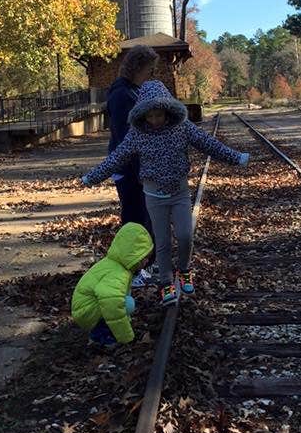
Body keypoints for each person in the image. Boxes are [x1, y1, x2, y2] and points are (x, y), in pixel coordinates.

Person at [82, 80, 249, 305]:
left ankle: (183, 270)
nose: (154, 120)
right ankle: (166, 282)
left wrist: (235, 157)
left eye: (158, 115)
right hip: (153, 196)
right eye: (149, 116)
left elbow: (208, 143)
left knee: (185, 235)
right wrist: (92, 177)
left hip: (179, 193)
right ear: (142, 114)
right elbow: (117, 157)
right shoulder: (138, 133)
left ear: (167, 110)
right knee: (161, 243)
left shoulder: (182, 127)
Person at [106, 45, 158, 286]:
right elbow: (125, 137)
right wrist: (140, 169)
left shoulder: (132, 91)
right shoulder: (122, 95)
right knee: (135, 220)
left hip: (138, 167)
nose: (151, 73)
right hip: (130, 170)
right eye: (149, 68)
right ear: (138, 67)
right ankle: (134, 271)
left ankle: (146, 265)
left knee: (144, 218)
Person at [71, 222, 154, 345]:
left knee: (125, 302)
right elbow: (112, 303)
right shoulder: (118, 273)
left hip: (85, 307)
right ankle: (101, 336)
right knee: (126, 303)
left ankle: (102, 330)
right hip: (86, 312)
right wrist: (127, 337)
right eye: (144, 257)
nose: (146, 261)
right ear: (134, 255)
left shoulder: (115, 264)